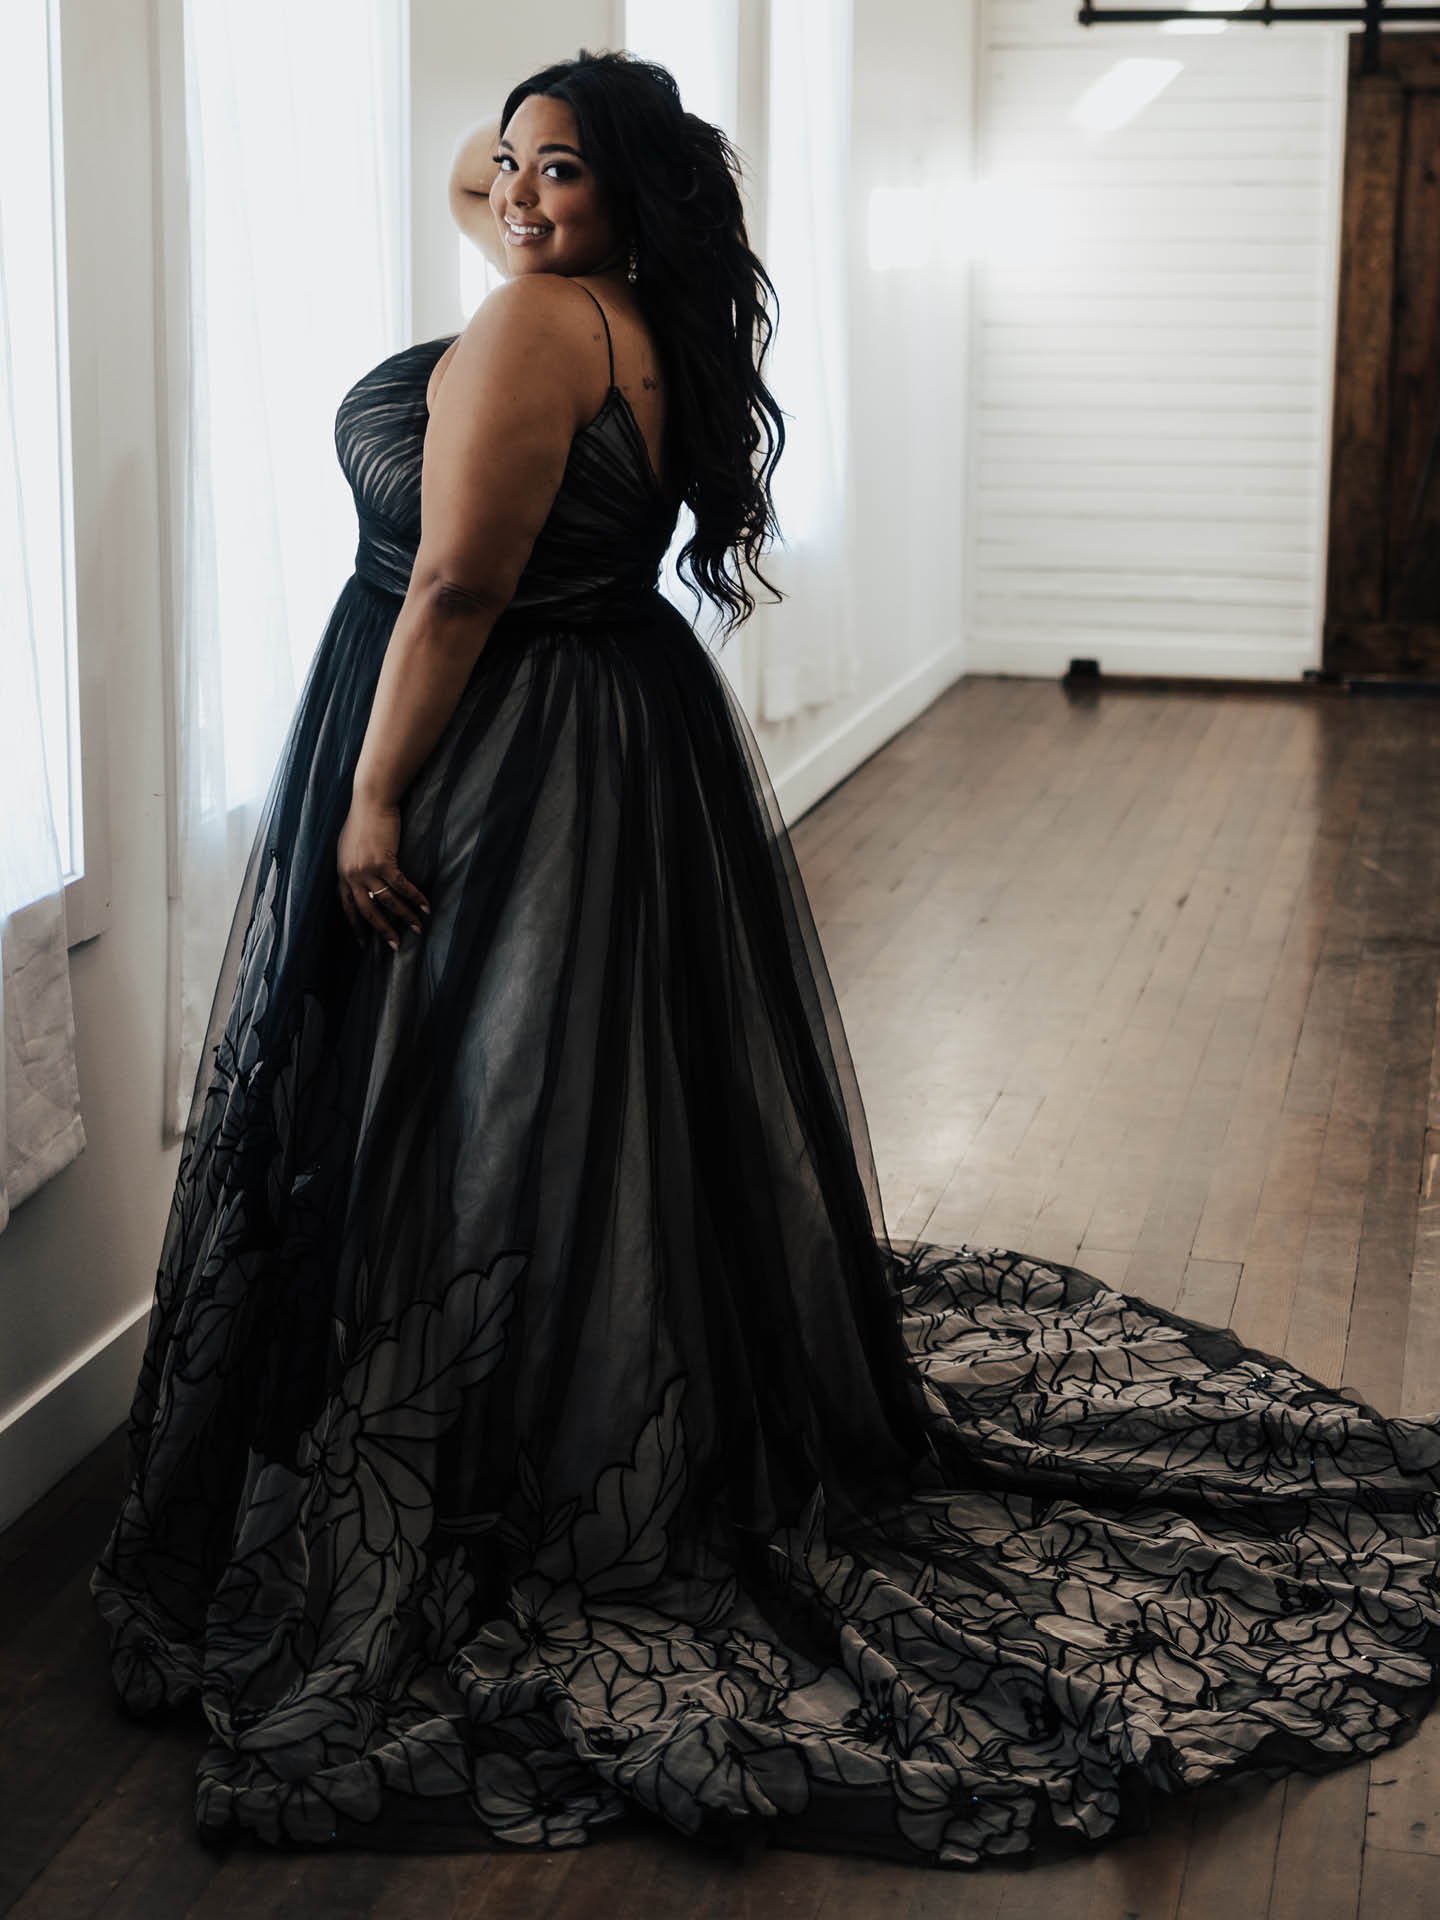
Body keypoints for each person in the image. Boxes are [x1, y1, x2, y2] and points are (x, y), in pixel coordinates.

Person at [91, 48, 1440, 1867]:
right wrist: (518, 160)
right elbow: (499, 219)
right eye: (508, 165)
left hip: (491, 736)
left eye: (558, 172)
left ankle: (504, 1458)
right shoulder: (634, 313)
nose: (517, 197)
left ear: (627, 196)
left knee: (472, 1104)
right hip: (614, 729)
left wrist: (374, 799)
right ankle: (561, 1401)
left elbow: (455, 587)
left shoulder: (534, 330)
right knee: (576, 1100)